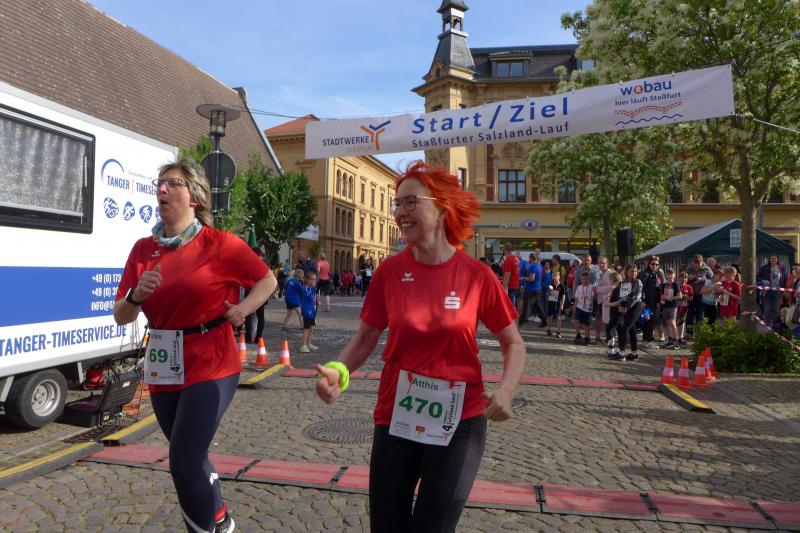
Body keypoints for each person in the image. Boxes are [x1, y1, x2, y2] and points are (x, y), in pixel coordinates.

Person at [315, 161, 525, 533]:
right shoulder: (389, 272)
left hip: (460, 419)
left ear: (442, 206)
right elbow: (366, 336)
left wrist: (506, 391)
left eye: (410, 202)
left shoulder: (477, 275)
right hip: (397, 416)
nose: (399, 212)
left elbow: (514, 343)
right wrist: (338, 370)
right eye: (397, 204)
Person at [113, 157, 275, 533]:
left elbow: (267, 280)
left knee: (183, 461)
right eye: (160, 184)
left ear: (195, 197)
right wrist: (136, 296)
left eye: (173, 183)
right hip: (164, 361)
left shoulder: (220, 244)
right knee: (192, 453)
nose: (162, 189)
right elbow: (121, 314)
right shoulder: (143, 249)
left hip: (211, 361)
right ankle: (220, 518)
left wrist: (244, 309)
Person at [609, 264, 644, 361]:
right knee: (632, 328)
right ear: (627, 272)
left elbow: (635, 297)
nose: (634, 273)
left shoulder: (638, 282)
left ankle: (621, 352)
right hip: (626, 306)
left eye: (635, 271)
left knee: (625, 327)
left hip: (636, 305)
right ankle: (634, 353)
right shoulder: (623, 282)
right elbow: (622, 296)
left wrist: (626, 307)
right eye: (631, 271)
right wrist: (621, 305)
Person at [639, 256, 665, 349]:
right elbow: (641, 288)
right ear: (649, 264)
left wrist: (660, 299)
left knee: (650, 320)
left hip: (655, 301)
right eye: (653, 264)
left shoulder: (656, 274)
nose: (655, 266)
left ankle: (646, 340)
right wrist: (642, 300)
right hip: (647, 302)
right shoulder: (645, 273)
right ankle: (648, 340)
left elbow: (659, 287)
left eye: (657, 264)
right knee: (650, 320)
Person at [686, 254, 712, 335]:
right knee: (689, 315)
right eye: (695, 263)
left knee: (700, 315)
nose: (697, 265)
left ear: (702, 262)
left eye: (698, 263)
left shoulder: (707, 269)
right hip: (690, 295)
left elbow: (712, 280)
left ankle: (699, 334)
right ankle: (689, 334)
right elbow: (682, 278)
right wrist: (688, 278)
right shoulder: (689, 268)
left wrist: (702, 279)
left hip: (701, 295)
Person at [757, 255, 786, 327]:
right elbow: (757, 276)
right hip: (767, 291)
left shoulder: (781, 267)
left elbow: (784, 279)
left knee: (776, 310)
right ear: (769, 260)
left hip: (778, 291)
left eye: (775, 258)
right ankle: (766, 326)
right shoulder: (764, 267)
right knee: (767, 309)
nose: (773, 260)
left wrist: (784, 291)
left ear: (777, 259)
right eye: (771, 258)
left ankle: (775, 326)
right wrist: (762, 280)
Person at [594, 257, 614, 343]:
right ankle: (598, 337)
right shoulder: (599, 273)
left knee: (608, 320)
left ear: (607, 264)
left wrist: (598, 290)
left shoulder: (610, 273)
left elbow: (612, 286)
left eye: (603, 263)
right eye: (600, 263)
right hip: (600, 299)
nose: (601, 265)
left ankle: (609, 337)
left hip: (607, 300)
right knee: (598, 318)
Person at [660, 268, 681, 349]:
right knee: (668, 323)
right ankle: (670, 340)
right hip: (666, 305)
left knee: (672, 322)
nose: (670, 276)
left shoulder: (676, 284)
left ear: (674, 275)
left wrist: (671, 297)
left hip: (673, 306)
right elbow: (662, 296)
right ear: (665, 275)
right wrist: (662, 298)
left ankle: (676, 341)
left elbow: (680, 296)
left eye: (671, 274)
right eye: (668, 274)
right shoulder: (664, 285)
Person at [603, 272, 624, 357]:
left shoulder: (618, 289)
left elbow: (619, 302)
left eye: (610, 279)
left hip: (617, 314)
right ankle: (617, 349)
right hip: (615, 313)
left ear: (614, 280)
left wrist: (608, 304)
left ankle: (611, 348)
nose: (609, 281)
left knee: (609, 329)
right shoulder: (616, 288)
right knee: (617, 331)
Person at [300, 271, 319, 353]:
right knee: (306, 329)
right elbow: (307, 297)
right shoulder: (306, 289)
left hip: (312, 312)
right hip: (307, 312)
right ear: (308, 280)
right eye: (312, 279)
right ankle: (303, 345)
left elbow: (314, 298)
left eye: (315, 279)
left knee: (312, 328)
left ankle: (309, 343)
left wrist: (317, 301)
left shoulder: (313, 289)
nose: (314, 281)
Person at [572, 271, 593, 345]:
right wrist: (574, 307)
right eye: (583, 279)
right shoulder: (579, 287)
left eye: (586, 279)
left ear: (588, 279)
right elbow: (576, 298)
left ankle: (587, 338)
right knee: (577, 321)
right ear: (581, 279)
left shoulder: (592, 287)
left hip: (587, 308)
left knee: (587, 324)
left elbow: (594, 297)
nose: (585, 280)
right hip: (579, 307)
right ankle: (578, 335)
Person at [546, 270, 566, 338]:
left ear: (559, 277)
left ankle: (558, 332)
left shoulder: (562, 286)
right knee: (549, 317)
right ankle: (548, 330)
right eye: (553, 276)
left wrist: (562, 305)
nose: (554, 277)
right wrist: (549, 292)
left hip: (557, 304)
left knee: (558, 317)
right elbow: (547, 295)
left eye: (556, 276)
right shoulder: (550, 285)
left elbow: (563, 296)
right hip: (550, 303)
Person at [676, 271, 693, 345]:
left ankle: (681, 337)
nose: (684, 279)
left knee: (682, 322)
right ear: (678, 278)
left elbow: (691, 298)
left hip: (685, 307)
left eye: (685, 278)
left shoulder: (689, 287)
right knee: (676, 322)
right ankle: (675, 337)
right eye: (682, 277)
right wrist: (680, 296)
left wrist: (687, 297)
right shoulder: (676, 285)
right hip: (676, 307)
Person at [501, 242, 521, 306]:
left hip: (510, 286)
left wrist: (503, 288)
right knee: (514, 304)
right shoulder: (516, 259)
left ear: (504, 249)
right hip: (516, 285)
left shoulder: (508, 260)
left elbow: (507, 275)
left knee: (510, 305)